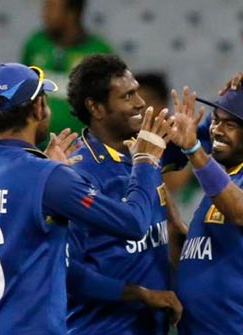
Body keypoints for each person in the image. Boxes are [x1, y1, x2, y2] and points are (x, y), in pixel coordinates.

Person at [0, 62, 181, 335]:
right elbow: (134, 223)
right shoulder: (48, 176)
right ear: (38, 109)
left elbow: (10, 223)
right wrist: (146, 159)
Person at [64, 54, 184, 334]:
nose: (140, 102)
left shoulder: (145, 154)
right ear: (95, 107)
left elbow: (208, 139)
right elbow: (69, 272)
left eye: (137, 92)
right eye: (128, 96)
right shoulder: (78, 175)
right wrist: (142, 294)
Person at [169, 84, 243, 334]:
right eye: (215, 120)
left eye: (230, 125)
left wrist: (194, 150)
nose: (216, 130)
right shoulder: (225, 181)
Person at [21, 0, 113, 135]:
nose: (44, 14)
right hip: (35, 144)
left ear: (72, 14)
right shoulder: (35, 43)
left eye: (51, 8)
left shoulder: (99, 52)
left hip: (80, 147)